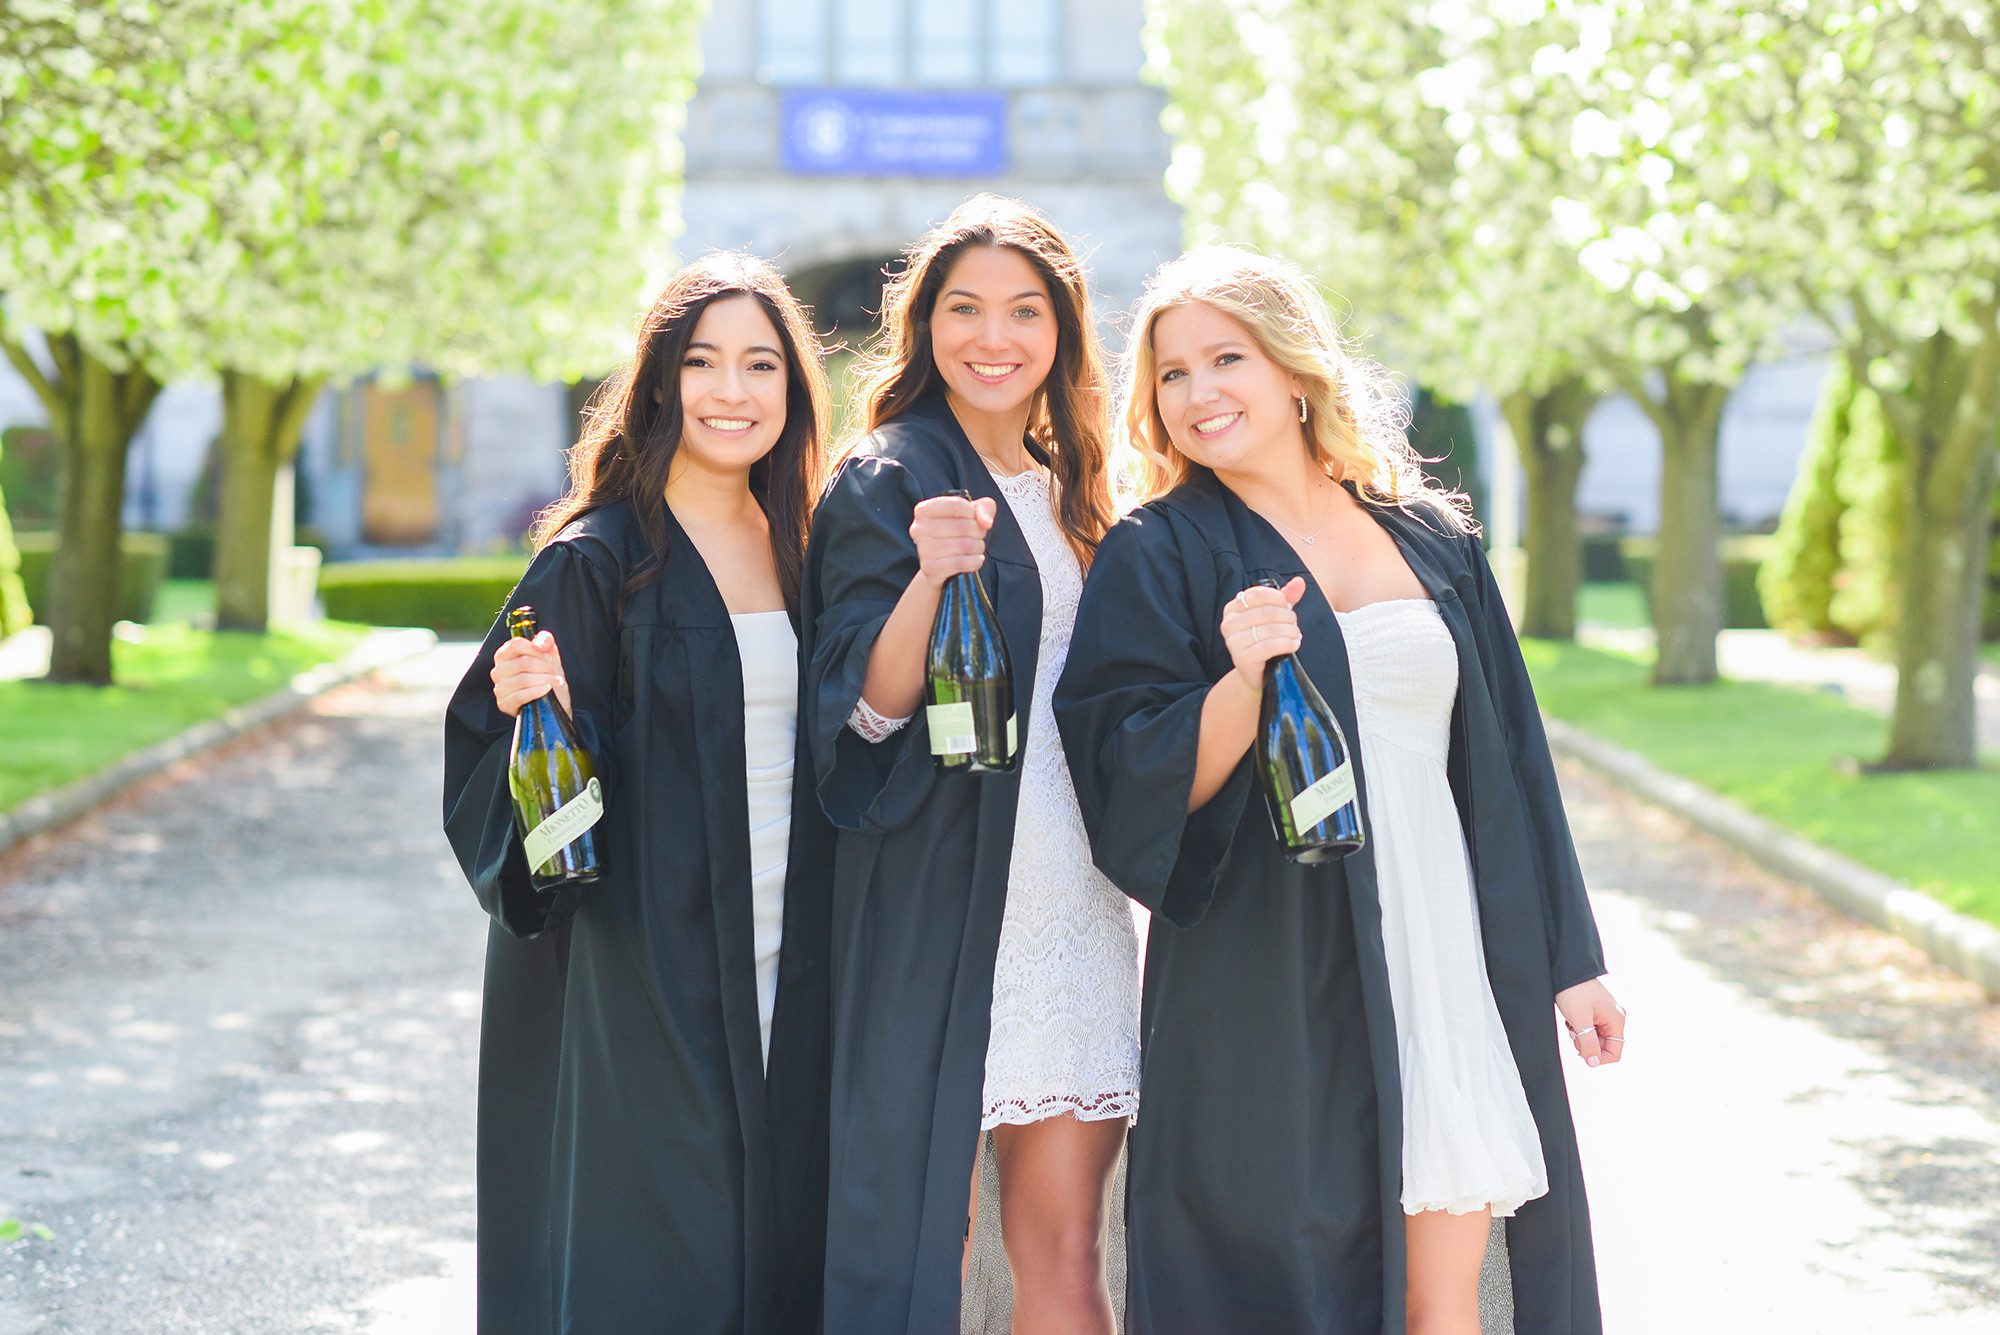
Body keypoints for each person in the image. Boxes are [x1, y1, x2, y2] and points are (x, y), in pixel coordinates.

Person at [1053, 245, 1626, 1335]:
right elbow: (1126, 777)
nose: (1197, 393)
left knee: (1441, 1284)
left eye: (1225, 359)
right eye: (1169, 374)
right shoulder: (1158, 551)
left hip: (1439, 934)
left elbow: (1510, 761)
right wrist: (1239, 678)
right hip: (1268, 960)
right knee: (1285, 1267)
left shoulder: (1431, 537)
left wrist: (1570, 960)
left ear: (1293, 369)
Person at [441, 252, 834, 1334]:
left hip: (790, 943)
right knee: (669, 1243)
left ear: (793, 393)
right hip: (648, 958)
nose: (731, 390)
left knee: (779, 1234)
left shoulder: (809, 547)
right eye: (701, 362)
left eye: (761, 365)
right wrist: (544, 713)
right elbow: (503, 771)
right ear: (657, 385)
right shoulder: (597, 560)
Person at [800, 194, 1136, 1335]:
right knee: (914, 1249)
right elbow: (867, 715)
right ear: (924, 325)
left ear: (1062, 332)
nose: (992, 337)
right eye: (963, 309)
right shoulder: (885, 477)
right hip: (937, 899)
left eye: (1023, 311)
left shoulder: (1082, 489)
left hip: (1072, 904)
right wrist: (928, 580)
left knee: (1062, 1256)